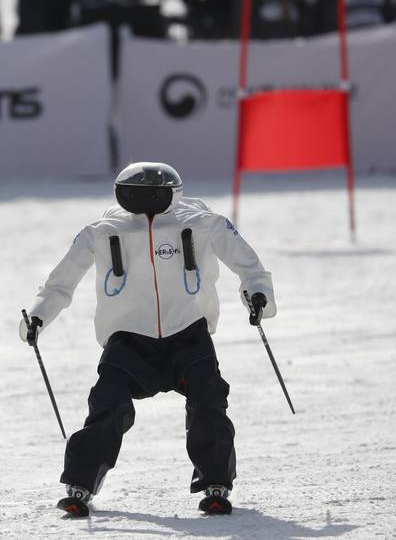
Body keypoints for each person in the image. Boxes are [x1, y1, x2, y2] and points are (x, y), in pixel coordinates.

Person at [19, 162, 277, 517]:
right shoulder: (102, 231)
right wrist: (37, 316)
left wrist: (258, 296)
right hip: (128, 339)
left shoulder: (203, 223)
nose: (146, 202)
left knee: (209, 401)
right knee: (107, 403)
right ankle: (80, 484)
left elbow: (250, 267)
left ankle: (216, 482)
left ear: (172, 194)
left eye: (153, 194)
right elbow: (59, 283)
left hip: (188, 334)